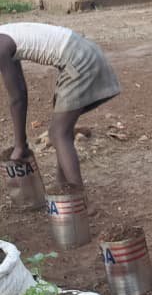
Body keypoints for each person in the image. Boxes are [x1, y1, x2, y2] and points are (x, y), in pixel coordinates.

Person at [0, 23, 120, 187]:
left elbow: (17, 99)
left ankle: (81, 203)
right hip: (83, 52)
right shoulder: (4, 36)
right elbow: (20, 90)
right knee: (62, 129)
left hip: (79, 60)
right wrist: (21, 144)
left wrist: (20, 145)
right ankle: (62, 186)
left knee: (58, 133)